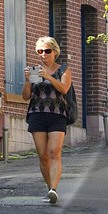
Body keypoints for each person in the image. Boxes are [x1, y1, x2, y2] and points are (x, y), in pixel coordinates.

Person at [24, 35, 74, 204]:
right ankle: (50, 189)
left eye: (46, 51)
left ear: (54, 52)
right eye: (40, 51)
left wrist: (49, 77)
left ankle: (54, 188)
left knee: (54, 152)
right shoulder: (34, 71)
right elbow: (25, 96)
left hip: (57, 115)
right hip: (37, 114)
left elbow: (64, 89)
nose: (43, 54)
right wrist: (27, 81)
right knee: (43, 155)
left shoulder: (63, 69)